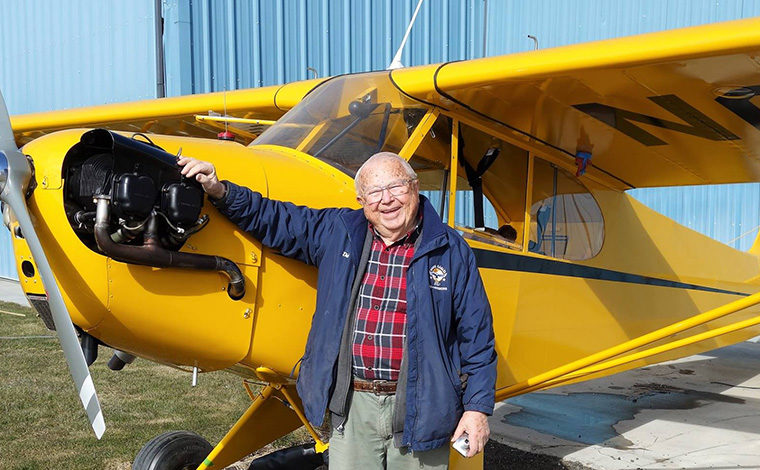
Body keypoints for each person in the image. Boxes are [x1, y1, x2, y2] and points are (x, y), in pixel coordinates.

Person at [178, 152, 497, 469]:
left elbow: (477, 338)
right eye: (375, 192)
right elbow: (274, 218)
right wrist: (220, 191)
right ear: (362, 201)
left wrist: (477, 409)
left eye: (396, 186)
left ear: (414, 187)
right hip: (353, 403)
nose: (387, 199)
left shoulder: (451, 250)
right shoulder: (339, 231)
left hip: (422, 406)